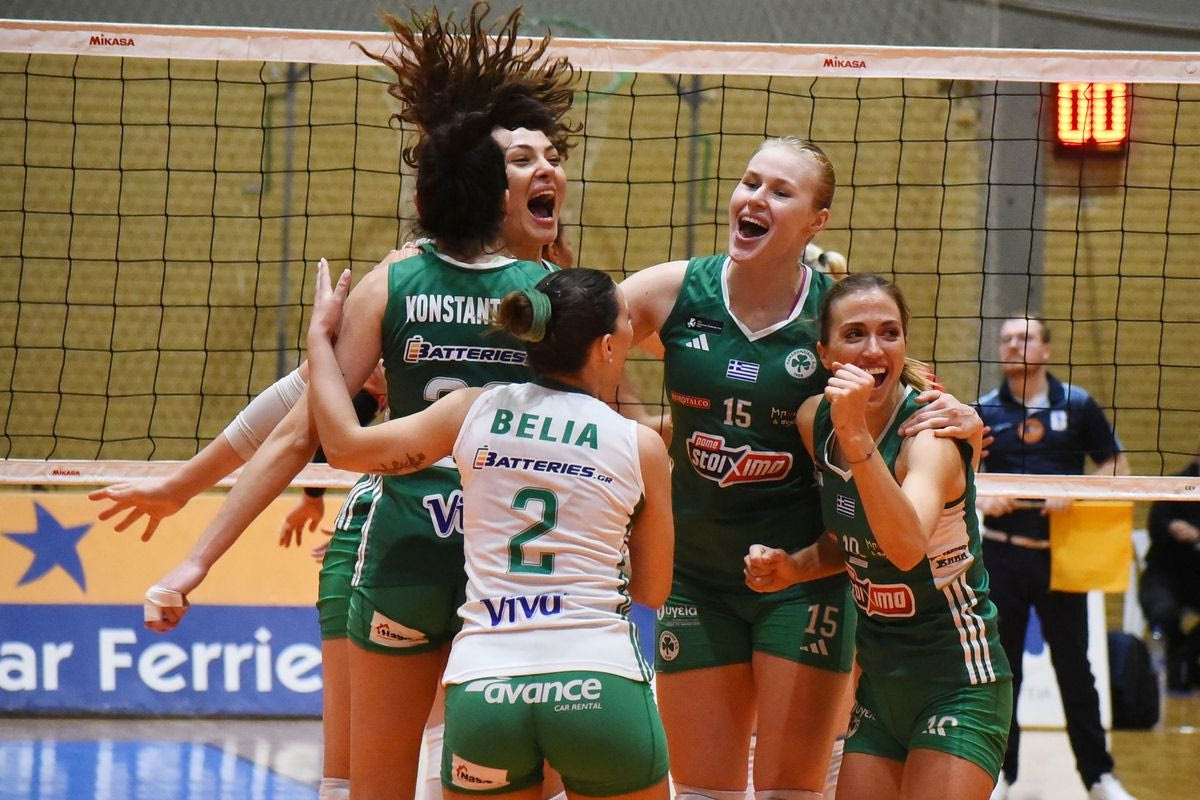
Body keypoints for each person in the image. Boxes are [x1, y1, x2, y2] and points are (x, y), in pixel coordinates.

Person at [91, 6, 580, 799]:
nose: (547, 170)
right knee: (374, 778)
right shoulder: (409, 275)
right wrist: (188, 512)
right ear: (485, 185)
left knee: (500, 776)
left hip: (516, 555)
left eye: (553, 157)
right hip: (401, 537)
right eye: (523, 159)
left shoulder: (559, 292)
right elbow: (297, 420)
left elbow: (609, 429)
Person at [620, 138, 982, 798]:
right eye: (751, 181)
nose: (756, 197)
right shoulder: (675, 290)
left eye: (781, 191)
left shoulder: (836, 314)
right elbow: (580, 340)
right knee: (700, 791)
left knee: (790, 790)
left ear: (817, 221)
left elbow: (900, 392)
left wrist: (966, 420)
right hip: (695, 575)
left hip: (804, 576)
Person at [308, 261, 674, 799]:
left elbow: (341, 447)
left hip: (487, 688)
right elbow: (652, 590)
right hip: (599, 680)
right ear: (606, 346)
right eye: (626, 322)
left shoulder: (471, 411)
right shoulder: (640, 446)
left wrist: (321, 338)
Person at [743, 273, 1010, 800]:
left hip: (958, 682)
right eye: (855, 334)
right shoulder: (815, 422)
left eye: (889, 333)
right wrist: (793, 567)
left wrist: (856, 435)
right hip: (880, 687)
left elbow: (905, 548)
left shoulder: (928, 438)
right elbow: (852, 540)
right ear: (825, 354)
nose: (874, 349)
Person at [975, 316, 1135, 800]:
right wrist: (982, 494)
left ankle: (1099, 777)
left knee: (1075, 670)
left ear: (1045, 349)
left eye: (1024, 337)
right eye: (1006, 339)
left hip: (1061, 558)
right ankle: (1001, 776)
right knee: (1001, 671)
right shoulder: (983, 410)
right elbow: (961, 472)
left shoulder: (1078, 405)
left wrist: (1077, 490)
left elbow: (1116, 464)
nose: (1013, 345)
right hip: (1002, 557)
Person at [1140, 446, 1200, 692]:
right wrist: (1171, 529)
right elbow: (1155, 526)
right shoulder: (1175, 485)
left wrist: (1197, 536)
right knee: (1162, 611)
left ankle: (1188, 654)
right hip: (1164, 573)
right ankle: (1178, 659)